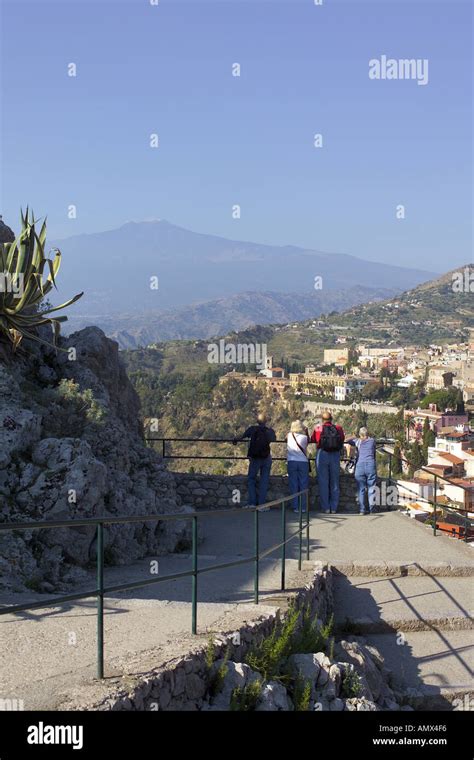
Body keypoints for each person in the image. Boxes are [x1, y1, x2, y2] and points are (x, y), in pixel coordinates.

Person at [233, 413, 276, 510]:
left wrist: (235, 439)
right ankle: (262, 505)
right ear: (266, 421)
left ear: (257, 421)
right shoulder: (269, 431)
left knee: (251, 479)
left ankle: (252, 503)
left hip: (255, 458)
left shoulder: (252, 429)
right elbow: (274, 439)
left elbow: (242, 436)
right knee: (264, 481)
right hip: (266, 457)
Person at [310, 410, 344, 514]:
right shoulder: (338, 428)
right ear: (331, 419)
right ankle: (334, 507)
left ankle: (326, 507)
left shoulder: (318, 428)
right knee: (334, 481)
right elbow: (342, 439)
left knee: (323, 481)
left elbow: (312, 439)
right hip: (335, 455)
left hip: (322, 454)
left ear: (322, 419)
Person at [345, 427, 378, 514]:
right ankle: (372, 509)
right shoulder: (372, 441)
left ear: (360, 434)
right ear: (368, 433)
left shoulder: (357, 441)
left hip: (360, 466)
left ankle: (362, 510)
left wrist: (353, 436)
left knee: (361, 489)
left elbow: (347, 440)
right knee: (371, 488)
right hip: (371, 465)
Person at [287, 420, 310, 513]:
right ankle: (303, 507)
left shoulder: (289, 436)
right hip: (302, 462)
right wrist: (306, 431)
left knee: (293, 484)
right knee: (303, 485)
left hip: (292, 461)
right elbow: (308, 441)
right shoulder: (304, 438)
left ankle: (295, 507)